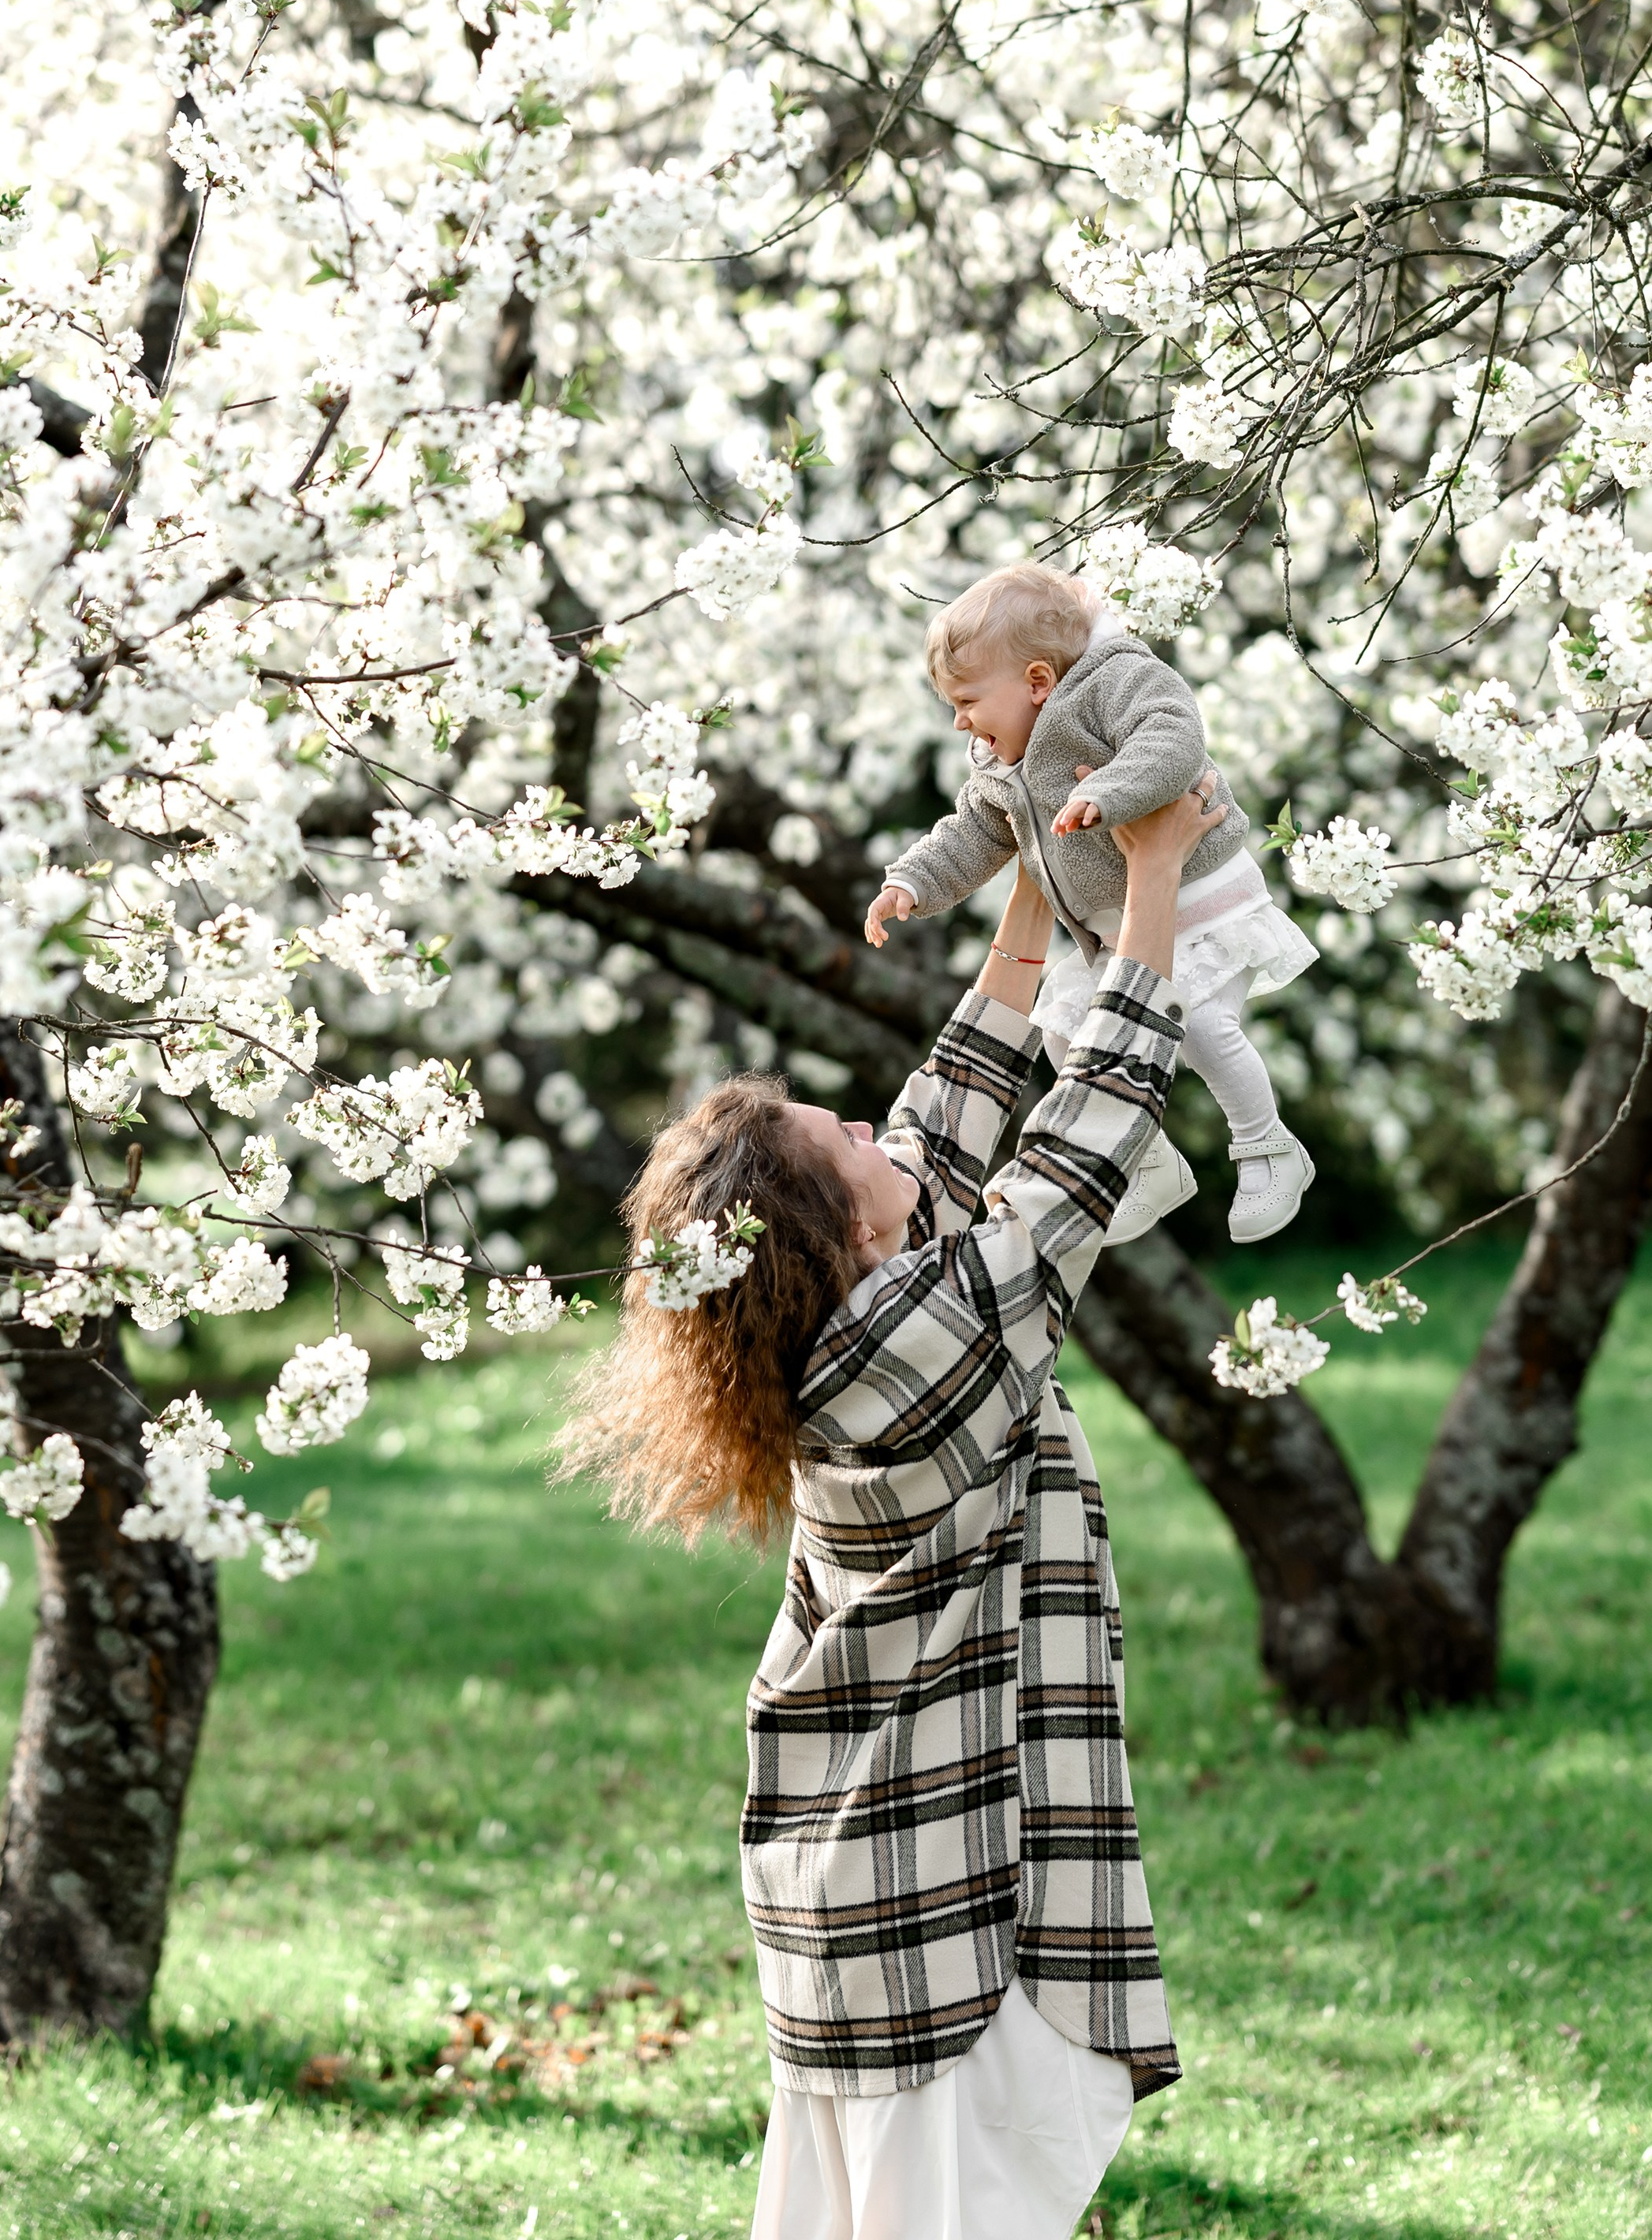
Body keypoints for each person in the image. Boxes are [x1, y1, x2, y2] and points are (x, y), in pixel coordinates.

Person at [558, 783, 1225, 2240]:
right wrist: (1159, 870)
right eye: (840, 1136)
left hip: (865, 1877)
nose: (875, 1119)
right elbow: (1086, 1141)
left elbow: (950, 1103)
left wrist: (1042, 878)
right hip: (928, 1892)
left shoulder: (849, 1325)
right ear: (845, 1232)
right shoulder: (907, 1349)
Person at [864, 559, 1317, 1246]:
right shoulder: (999, 763)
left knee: (1198, 1026)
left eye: (967, 701)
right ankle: (1148, 1159)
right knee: (1059, 1030)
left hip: (1201, 903)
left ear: (1037, 682)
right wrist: (913, 881)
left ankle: (1268, 1146)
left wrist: (1108, 793)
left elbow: (1173, 734)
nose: (959, 723)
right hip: (1112, 933)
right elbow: (973, 831)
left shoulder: (1115, 679)